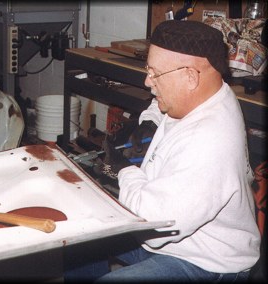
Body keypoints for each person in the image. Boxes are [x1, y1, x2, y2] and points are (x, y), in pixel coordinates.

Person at [64, 20, 261, 282]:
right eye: (148, 69)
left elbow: (153, 220)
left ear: (190, 76)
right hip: (174, 239)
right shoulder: (209, 93)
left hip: (207, 260)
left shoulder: (210, 140)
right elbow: (162, 105)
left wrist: (125, 170)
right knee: (79, 240)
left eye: (156, 74)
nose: (148, 81)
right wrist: (148, 123)